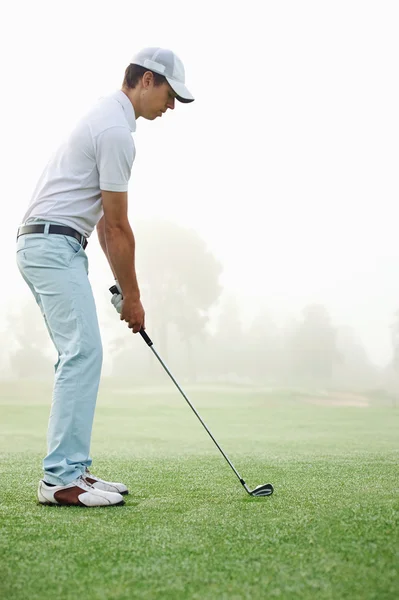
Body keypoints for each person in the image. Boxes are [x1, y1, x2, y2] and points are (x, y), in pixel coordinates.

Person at [16, 47, 194, 507]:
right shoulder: (117, 130)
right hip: (51, 244)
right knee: (83, 352)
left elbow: (102, 223)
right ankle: (59, 479)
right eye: (171, 94)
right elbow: (116, 227)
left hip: (55, 243)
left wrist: (122, 289)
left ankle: (74, 468)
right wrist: (134, 297)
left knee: (80, 352)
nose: (171, 106)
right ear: (148, 80)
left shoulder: (109, 117)